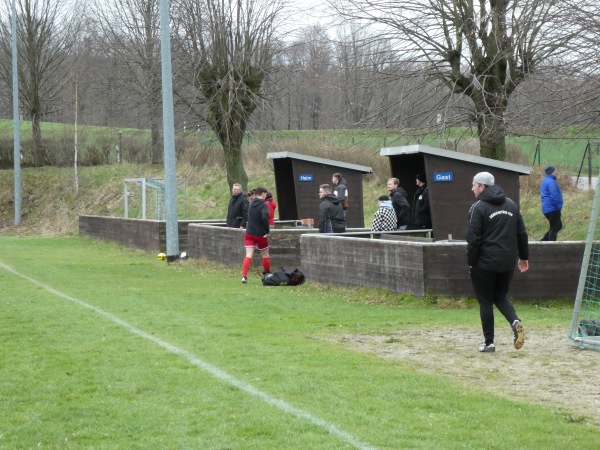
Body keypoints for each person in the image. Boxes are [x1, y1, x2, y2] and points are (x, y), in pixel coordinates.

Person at [467, 171, 528, 353]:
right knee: (500, 296)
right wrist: (523, 257)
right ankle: (515, 321)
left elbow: (473, 239)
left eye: (474, 185)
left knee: (485, 302)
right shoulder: (511, 204)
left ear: (482, 187)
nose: (472, 188)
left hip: (485, 263)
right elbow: (521, 234)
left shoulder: (478, 208)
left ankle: (489, 343)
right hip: (508, 261)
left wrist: (471, 261)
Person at [241, 186, 271, 283]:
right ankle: (267, 274)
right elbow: (265, 218)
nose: (266, 196)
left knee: (248, 255)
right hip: (260, 234)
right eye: (265, 194)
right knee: (265, 255)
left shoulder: (251, 203)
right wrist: (266, 231)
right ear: (263, 194)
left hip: (249, 233)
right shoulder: (264, 205)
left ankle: (244, 276)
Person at [540, 165, 563, 241]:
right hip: (552, 209)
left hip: (547, 208)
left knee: (556, 226)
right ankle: (550, 245)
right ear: (551, 172)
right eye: (555, 171)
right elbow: (554, 197)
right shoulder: (551, 182)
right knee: (555, 227)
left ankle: (543, 242)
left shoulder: (545, 180)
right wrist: (558, 207)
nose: (556, 173)